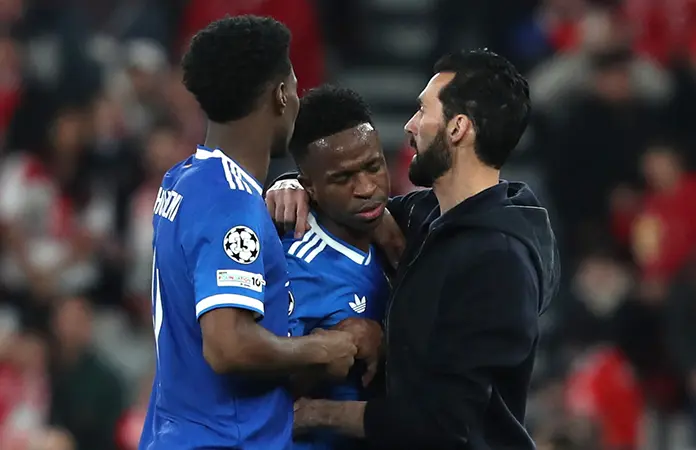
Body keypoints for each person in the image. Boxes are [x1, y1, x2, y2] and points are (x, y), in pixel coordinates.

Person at [266, 49, 561, 449]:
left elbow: (446, 424)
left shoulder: (497, 261)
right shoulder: (427, 216)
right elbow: (351, 198)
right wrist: (290, 185)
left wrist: (319, 412)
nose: (410, 125)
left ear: (457, 128)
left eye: (423, 110)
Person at [138, 16, 358, 450]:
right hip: (224, 440)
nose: (298, 100)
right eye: (295, 87)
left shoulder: (183, 179)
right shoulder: (231, 202)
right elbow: (228, 346)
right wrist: (321, 349)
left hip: (177, 431)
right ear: (280, 95)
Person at [282, 85, 391, 450]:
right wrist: (332, 349)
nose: (366, 188)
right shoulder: (297, 266)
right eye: (343, 179)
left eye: (374, 167)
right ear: (309, 187)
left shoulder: (407, 233)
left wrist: (383, 339)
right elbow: (260, 392)